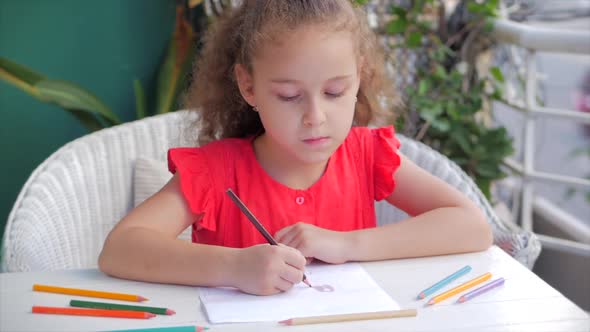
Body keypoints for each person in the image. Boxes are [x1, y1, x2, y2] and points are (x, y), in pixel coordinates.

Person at [99, 0, 492, 296]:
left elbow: (471, 226)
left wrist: (346, 244)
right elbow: (120, 249)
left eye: (335, 91)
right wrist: (234, 268)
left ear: (360, 76)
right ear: (248, 87)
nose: (315, 116)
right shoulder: (215, 172)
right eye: (289, 96)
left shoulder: (366, 154)